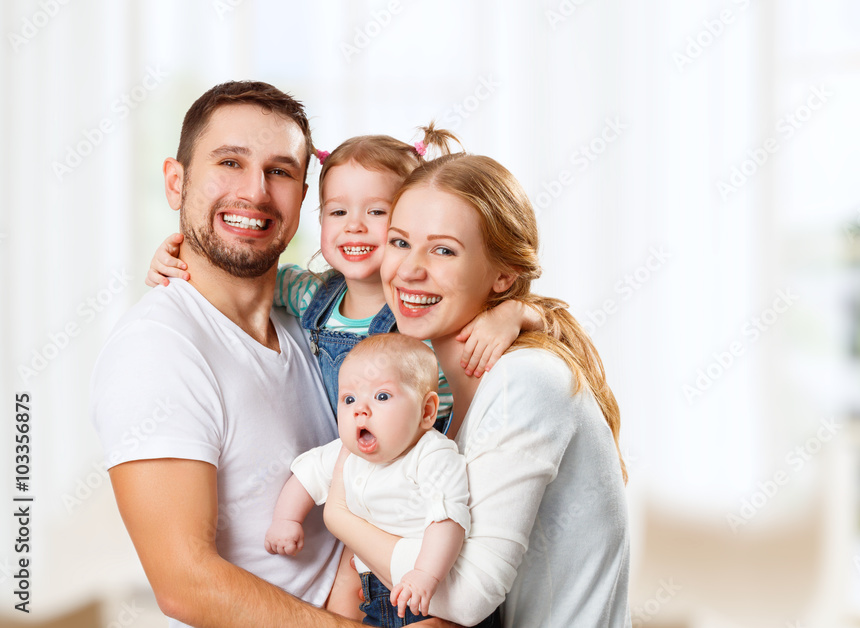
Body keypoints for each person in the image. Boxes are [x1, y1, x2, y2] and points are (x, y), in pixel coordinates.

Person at [90, 81, 428, 628]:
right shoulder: (156, 350)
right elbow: (185, 583)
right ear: (176, 183)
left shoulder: (310, 317)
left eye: (280, 171)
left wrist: (521, 312)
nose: (255, 192)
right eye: (229, 162)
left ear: (304, 198)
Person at [323, 152, 633, 627]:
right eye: (400, 242)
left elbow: (466, 598)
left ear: (503, 276)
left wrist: (341, 518)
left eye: (443, 250)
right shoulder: (441, 396)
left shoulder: (522, 380)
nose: (409, 270)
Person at [147, 128, 542, 428]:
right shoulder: (307, 293)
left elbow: (541, 331)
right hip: (349, 468)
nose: (354, 227)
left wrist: (514, 314)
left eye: (376, 213)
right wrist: (178, 257)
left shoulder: (425, 309)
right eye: (338, 213)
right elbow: (238, 281)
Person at [266, 333, 480, 626]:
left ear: (427, 411)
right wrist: (286, 520)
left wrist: (425, 575)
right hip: (374, 590)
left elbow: (447, 520)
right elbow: (307, 475)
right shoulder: (346, 453)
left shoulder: (432, 455)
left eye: (382, 396)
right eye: (349, 399)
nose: (360, 410)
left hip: (425, 592)